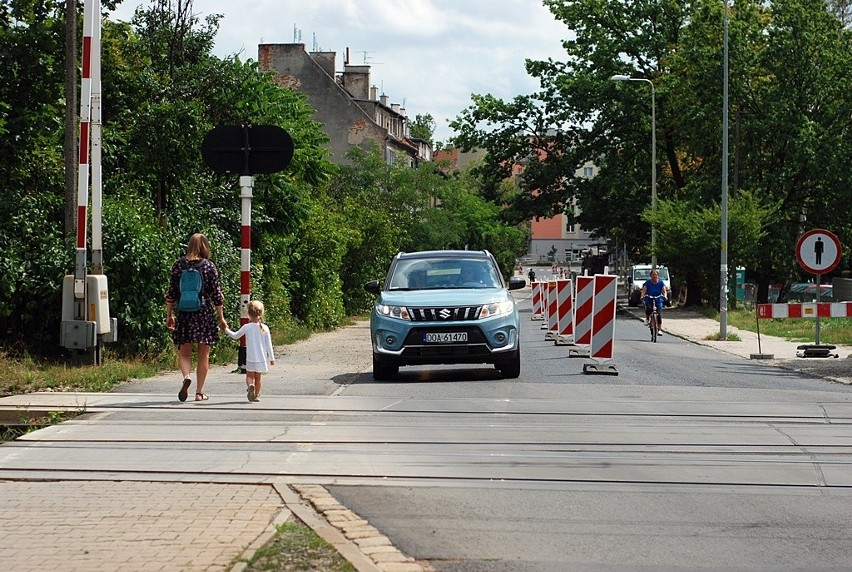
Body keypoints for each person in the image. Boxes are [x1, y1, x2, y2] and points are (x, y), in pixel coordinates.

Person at [165, 233, 227, 402]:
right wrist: (221, 317)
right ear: (205, 246)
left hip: (185, 312)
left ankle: (186, 377)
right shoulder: (209, 266)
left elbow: (171, 293)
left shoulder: (178, 265)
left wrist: (169, 315)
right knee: (203, 355)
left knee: (184, 354)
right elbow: (217, 295)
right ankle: (199, 392)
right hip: (204, 311)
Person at [224, 300, 275, 402]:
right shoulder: (265, 328)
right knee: (258, 378)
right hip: (261, 358)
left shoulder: (247, 327)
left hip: (251, 357)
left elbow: (235, 336)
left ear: (249, 313)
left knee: (249, 376)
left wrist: (226, 329)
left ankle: (250, 385)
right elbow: (268, 344)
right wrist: (272, 358)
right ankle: (257, 396)